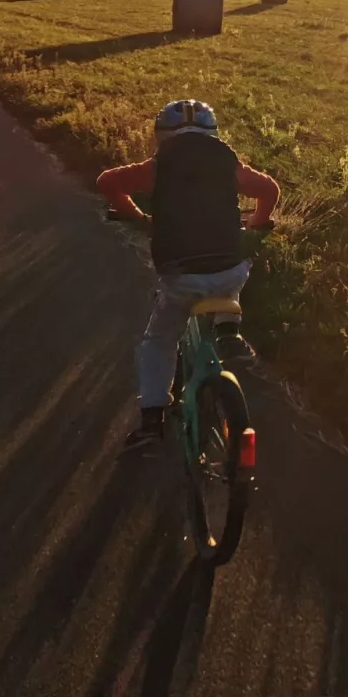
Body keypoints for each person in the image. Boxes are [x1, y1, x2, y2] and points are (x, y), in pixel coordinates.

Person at [97, 99, 279, 447]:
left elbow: (107, 182)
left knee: (160, 339)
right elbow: (269, 190)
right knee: (232, 274)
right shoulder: (228, 162)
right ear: (212, 133)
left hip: (181, 275)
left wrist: (136, 217)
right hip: (229, 268)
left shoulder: (157, 166)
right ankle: (228, 328)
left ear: (162, 135)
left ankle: (151, 420)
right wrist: (254, 224)